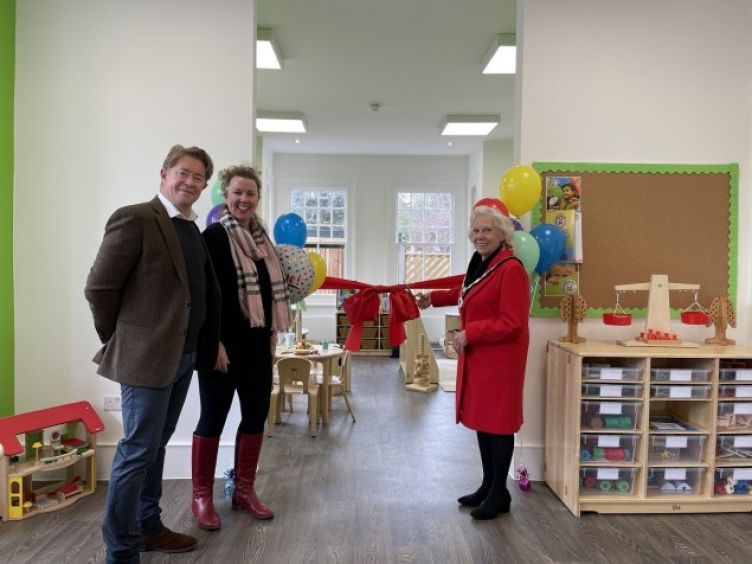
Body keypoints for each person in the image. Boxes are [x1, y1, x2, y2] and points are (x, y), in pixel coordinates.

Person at [85, 145, 220, 562]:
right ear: (164, 173)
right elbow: (100, 287)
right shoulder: (137, 218)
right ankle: (121, 550)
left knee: (157, 445)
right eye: (184, 173)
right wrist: (123, 338)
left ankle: (149, 526)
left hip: (183, 357)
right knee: (138, 450)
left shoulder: (190, 228)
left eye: (199, 178)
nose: (190, 183)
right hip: (147, 357)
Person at [191, 165, 290, 530]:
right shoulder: (214, 236)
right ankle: (201, 496)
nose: (244, 200)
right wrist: (212, 342)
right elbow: (203, 296)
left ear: (258, 198)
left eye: (250, 194)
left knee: (254, 417)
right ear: (225, 195)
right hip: (221, 347)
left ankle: (244, 490)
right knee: (212, 418)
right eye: (237, 193)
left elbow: (268, 295)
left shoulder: (265, 243)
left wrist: (270, 339)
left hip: (257, 346)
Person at [416, 205, 529, 520]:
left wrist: (470, 333)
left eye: (487, 231)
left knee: (499, 424)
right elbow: (468, 292)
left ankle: (497, 494)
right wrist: (434, 298)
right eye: (476, 231)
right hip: (482, 357)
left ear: (502, 234)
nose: (479, 236)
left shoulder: (511, 269)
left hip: (501, 361)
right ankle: (490, 486)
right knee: (483, 421)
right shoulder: (484, 263)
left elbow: (513, 322)